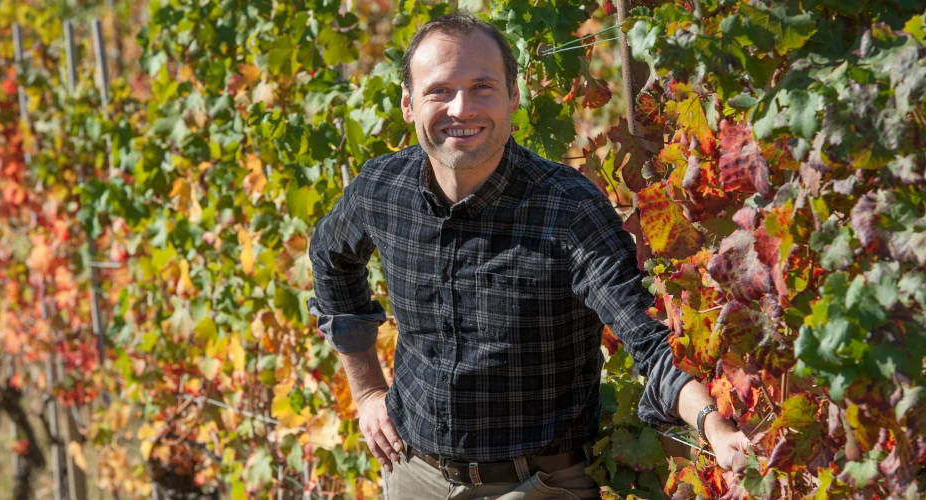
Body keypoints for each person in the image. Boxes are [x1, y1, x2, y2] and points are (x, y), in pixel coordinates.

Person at [307, 12, 750, 499]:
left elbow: (645, 334)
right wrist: (368, 390)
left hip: (537, 484)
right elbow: (331, 258)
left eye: (482, 87)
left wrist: (712, 422)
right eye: (440, 91)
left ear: (513, 97)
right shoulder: (381, 188)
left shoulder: (568, 209)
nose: (462, 108)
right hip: (414, 477)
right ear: (409, 105)